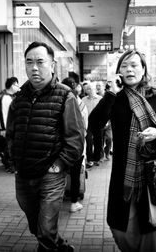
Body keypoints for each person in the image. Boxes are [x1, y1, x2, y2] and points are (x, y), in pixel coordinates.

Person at [88, 50, 156, 252]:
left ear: (143, 69)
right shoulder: (115, 98)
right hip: (123, 177)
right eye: (124, 65)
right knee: (120, 231)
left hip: (152, 177)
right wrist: (110, 92)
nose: (129, 69)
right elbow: (94, 124)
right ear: (118, 71)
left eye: (134, 65)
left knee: (150, 235)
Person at [6, 42, 84, 252]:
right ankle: (60, 247)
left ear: (52, 65)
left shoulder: (65, 96)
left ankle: (51, 245)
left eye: (40, 62)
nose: (34, 67)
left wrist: (58, 165)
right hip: (23, 173)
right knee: (37, 227)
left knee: (45, 229)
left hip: (51, 174)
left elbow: (76, 139)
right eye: (29, 62)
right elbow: (11, 133)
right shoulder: (18, 98)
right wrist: (14, 161)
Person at [61, 77, 88, 213]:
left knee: (59, 173)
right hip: (77, 145)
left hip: (60, 145)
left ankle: (56, 199)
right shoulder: (80, 103)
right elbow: (85, 126)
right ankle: (73, 203)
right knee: (76, 174)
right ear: (75, 86)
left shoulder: (58, 100)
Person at [0, 77, 19, 173]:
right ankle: (10, 166)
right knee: (9, 148)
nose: (18, 87)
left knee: (8, 147)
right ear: (12, 85)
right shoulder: (4, 97)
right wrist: (4, 129)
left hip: (9, 127)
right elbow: (1, 114)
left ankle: (9, 165)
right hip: (6, 128)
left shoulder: (8, 97)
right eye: (17, 85)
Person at [82, 82, 102, 168]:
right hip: (87, 123)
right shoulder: (83, 100)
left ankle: (97, 158)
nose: (90, 90)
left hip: (98, 123)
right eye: (88, 89)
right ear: (86, 91)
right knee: (88, 140)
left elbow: (105, 111)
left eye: (92, 88)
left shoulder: (100, 99)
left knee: (98, 141)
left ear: (95, 89)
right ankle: (90, 159)